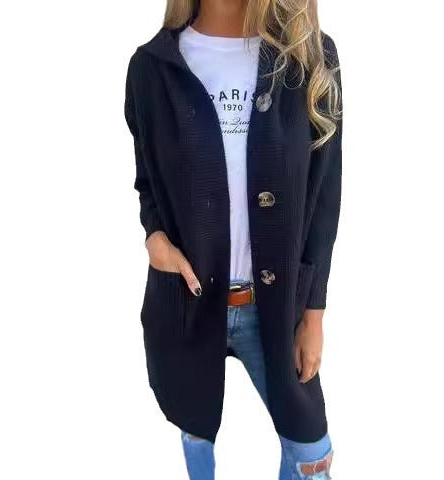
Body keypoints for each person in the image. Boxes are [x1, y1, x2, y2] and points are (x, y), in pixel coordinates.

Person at [124, 0, 342, 478]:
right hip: (187, 306)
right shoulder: (151, 67)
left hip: (277, 309)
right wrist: (154, 237)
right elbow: (147, 181)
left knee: (312, 455)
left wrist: (314, 317)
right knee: (196, 431)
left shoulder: (308, 58)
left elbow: (325, 197)